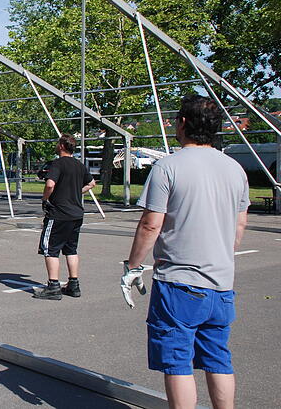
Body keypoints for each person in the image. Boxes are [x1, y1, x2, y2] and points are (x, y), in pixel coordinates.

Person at [122, 95, 249, 409]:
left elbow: (151, 225)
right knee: (218, 358)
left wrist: (133, 266)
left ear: (182, 123)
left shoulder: (169, 167)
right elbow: (238, 229)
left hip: (179, 282)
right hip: (221, 282)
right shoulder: (235, 170)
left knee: (177, 362)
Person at [34, 133, 96, 300]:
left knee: (50, 249)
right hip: (76, 213)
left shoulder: (57, 164)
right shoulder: (79, 165)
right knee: (71, 249)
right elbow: (91, 183)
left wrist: (45, 199)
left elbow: (50, 184)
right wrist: (76, 192)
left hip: (59, 213)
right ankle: (73, 284)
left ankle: (53, 286)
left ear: (61, 146)